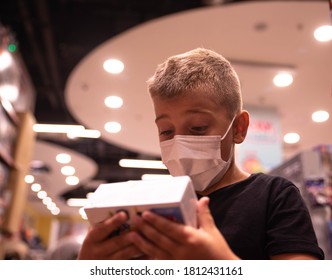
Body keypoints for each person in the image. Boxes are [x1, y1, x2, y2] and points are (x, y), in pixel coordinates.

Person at [78, 48, 324, 260]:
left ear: (238, 128)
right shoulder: (156, 206)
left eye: (197, 128)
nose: (179, 144)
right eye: (166, 131)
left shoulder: (275, 196)